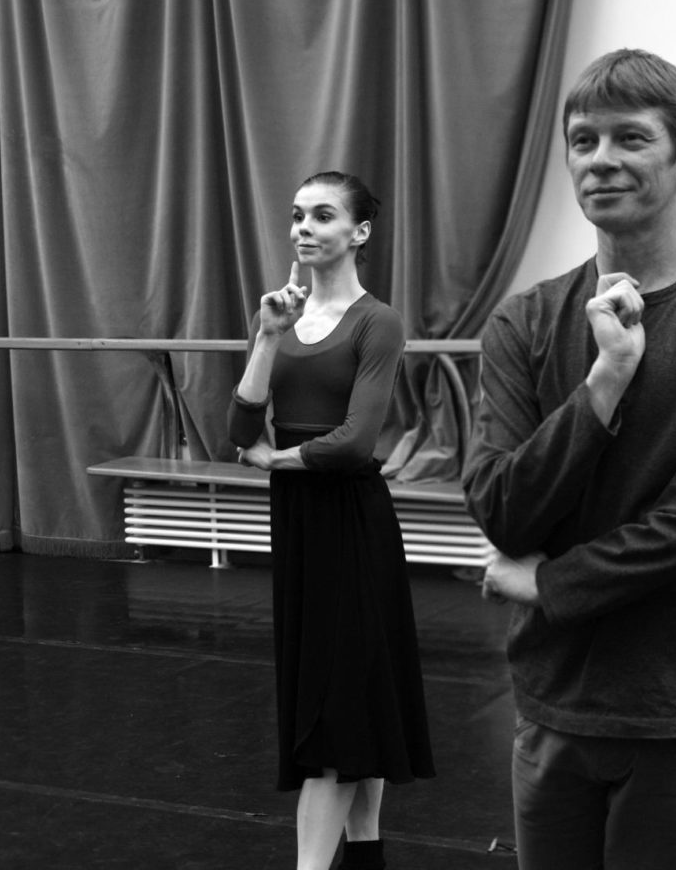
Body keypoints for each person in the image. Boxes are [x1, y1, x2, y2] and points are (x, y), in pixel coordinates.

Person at [462, 49, 676, 870]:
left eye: (630, 138)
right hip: (555, 700)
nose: (601, 160)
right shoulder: (525, 322)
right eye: (583, 141)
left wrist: (552, 582)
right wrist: (605, 382)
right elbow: (502, 508)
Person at [228, 171, 434, 870]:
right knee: (356, 700)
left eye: (321, 215)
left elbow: (352, 443)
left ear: (359, 232)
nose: (302, 228)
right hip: (299, 521)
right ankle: (366, 857)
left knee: (337, 712)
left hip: (350, 522)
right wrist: (265, 336)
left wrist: (271, 459)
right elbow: (239, 423)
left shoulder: (378, 322)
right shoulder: (281, 318)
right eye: (295, 216)